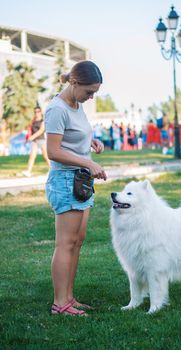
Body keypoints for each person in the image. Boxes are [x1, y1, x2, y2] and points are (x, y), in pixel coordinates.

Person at [45, 60, 107, 317]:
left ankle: (69, 297)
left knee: (77, 241)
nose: (91, 97)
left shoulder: (77, 105)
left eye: (94, 92)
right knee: (65, 243)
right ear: (74, 82)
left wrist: (90, 141)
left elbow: (71, 136)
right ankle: (60, 304)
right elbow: (53, 151)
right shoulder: (56, 109)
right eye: (89, 91)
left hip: (80, 181)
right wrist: (86, 162)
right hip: (65, 181)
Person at [22, 106, 50, 177]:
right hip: (34, 141)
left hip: (41, 140)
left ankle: (52, 170)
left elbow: (41, 131)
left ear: (41, 112)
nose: (37, 113)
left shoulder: (42, 121)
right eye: (35, 112)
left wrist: (32, 137)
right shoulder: (33, 121)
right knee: (32, 156)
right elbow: (30, 131)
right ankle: (28, 171)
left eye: (38, 111)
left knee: (46, 156)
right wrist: (27, 139)